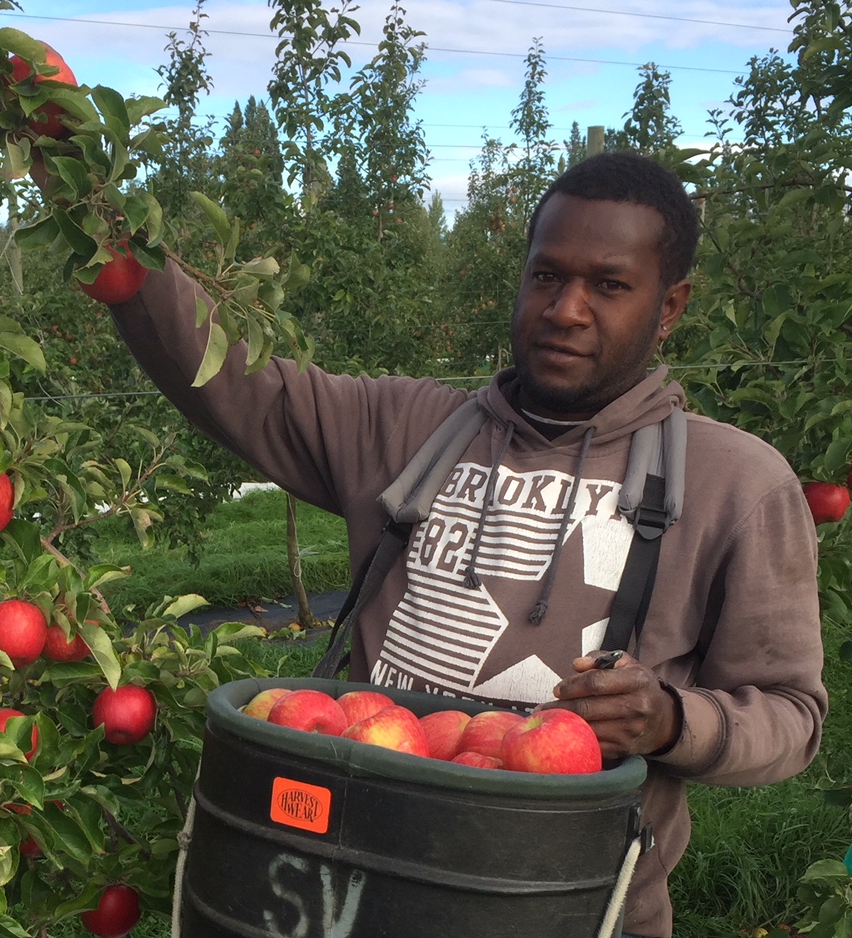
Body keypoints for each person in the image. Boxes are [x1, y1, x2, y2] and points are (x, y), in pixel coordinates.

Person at [107, 152, 827, 938]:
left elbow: (791, 715)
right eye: (547, 275)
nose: (567, 309)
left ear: (670, 306)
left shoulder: (737, 483)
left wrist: (670, 722)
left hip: (570, 912)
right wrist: (91, 207)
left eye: (610, 285)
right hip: (356, 888)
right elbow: (230, 378)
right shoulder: (404, 430)